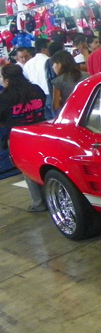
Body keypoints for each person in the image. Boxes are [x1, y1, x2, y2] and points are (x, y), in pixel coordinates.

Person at [0, 65, 47, 212]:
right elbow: (43, 103)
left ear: (6, 79)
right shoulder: (36, 89)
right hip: (41, 131)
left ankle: (39, 203)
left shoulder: (4, 97)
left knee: (27, 169)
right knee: (47, 166)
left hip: (19, 136)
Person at [24, 38, 52, 119]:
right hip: (50, 94)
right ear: (44, 49)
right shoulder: (49, 61)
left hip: (35, 97)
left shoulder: (28, 64)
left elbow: (27, 80)